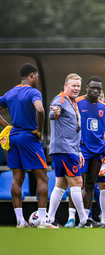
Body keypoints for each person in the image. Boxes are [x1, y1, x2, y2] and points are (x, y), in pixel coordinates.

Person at [0, 63, 55, 228]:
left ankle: (20, 221)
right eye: (37, 76)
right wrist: (39, 131)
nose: (37, 79)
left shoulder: (10, 93)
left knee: (17, 178)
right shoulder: (33, 92)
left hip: (14, 137)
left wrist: (7, 126)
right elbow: (40, 110)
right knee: (42, 177)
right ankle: (43, 220)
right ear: (31, 75)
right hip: (29, 138)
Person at [48, 73, 101, 228]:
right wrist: (54, 113)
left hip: (69, 149)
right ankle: (84, 220)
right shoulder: (61, 100)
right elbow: (53, 113)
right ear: (66, 85)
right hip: (64, 149)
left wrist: (78, 150)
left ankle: (49, 219)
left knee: (61, 184)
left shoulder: (72, 102)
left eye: (78, 86)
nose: (76, 88)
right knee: (77, 182)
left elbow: (73, 129)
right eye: (73, 85)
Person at [64, 76, 105, 228]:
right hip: (81, 151)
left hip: (98, 152)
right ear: (87, 87)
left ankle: (85, 220)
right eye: (93, 88)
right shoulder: (77, 103)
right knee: (77, 184)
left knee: (90, 184)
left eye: (98, 88)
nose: (95, 90)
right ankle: (71, 218)